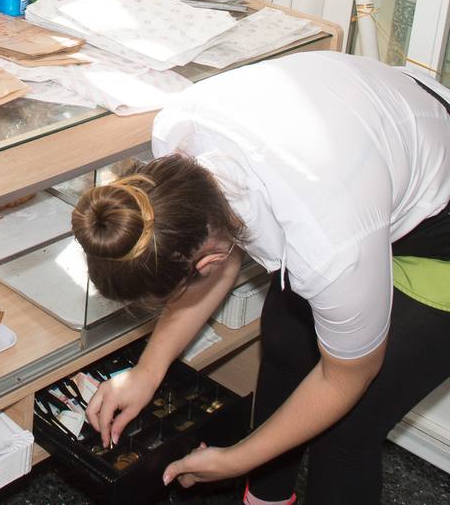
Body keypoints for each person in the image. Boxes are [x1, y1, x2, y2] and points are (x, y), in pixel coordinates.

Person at [72, 52, 450, 504]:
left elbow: (348, 376)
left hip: (438, 226)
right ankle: (269, 498)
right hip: (375, 161)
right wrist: (147, 372)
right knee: (285, 333)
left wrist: (237, 460)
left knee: (347, 432)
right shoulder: (179, 142)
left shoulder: (329, 247)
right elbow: (215, 242)